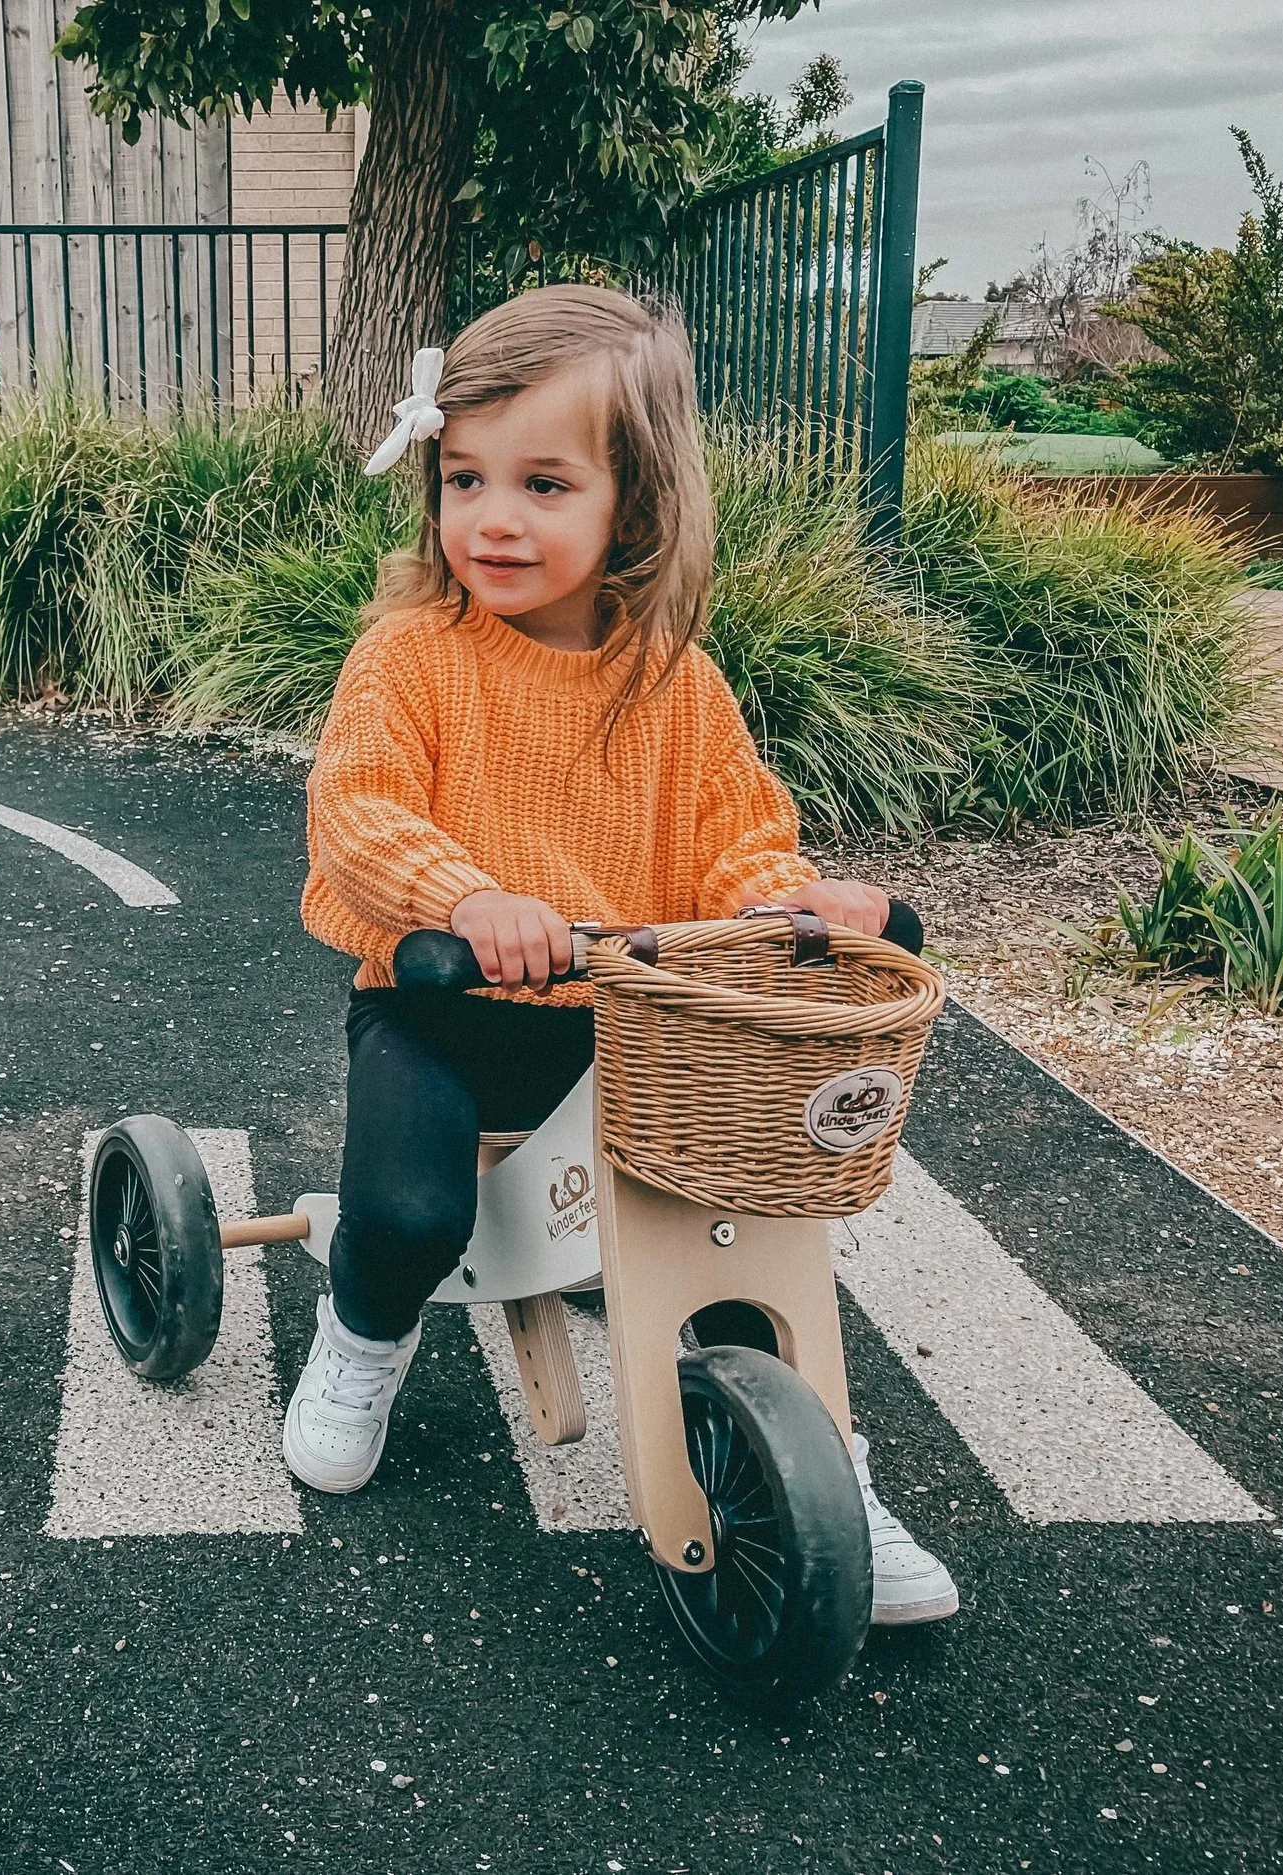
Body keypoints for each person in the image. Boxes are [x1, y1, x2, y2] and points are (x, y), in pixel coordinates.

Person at [287, 284, 958, 1626]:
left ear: (631, 503)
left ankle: (831, 1465)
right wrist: (471, 897)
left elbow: (737, 846)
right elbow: (356, 813)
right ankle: (363, 1333)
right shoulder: (410, 659)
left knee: (739, 1223)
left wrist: (798, 905)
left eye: (543, 482)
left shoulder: (675, 682)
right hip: (438, 1009)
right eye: (465, 477)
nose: (494, 518)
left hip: (628, 1027)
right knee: (415, 1211)